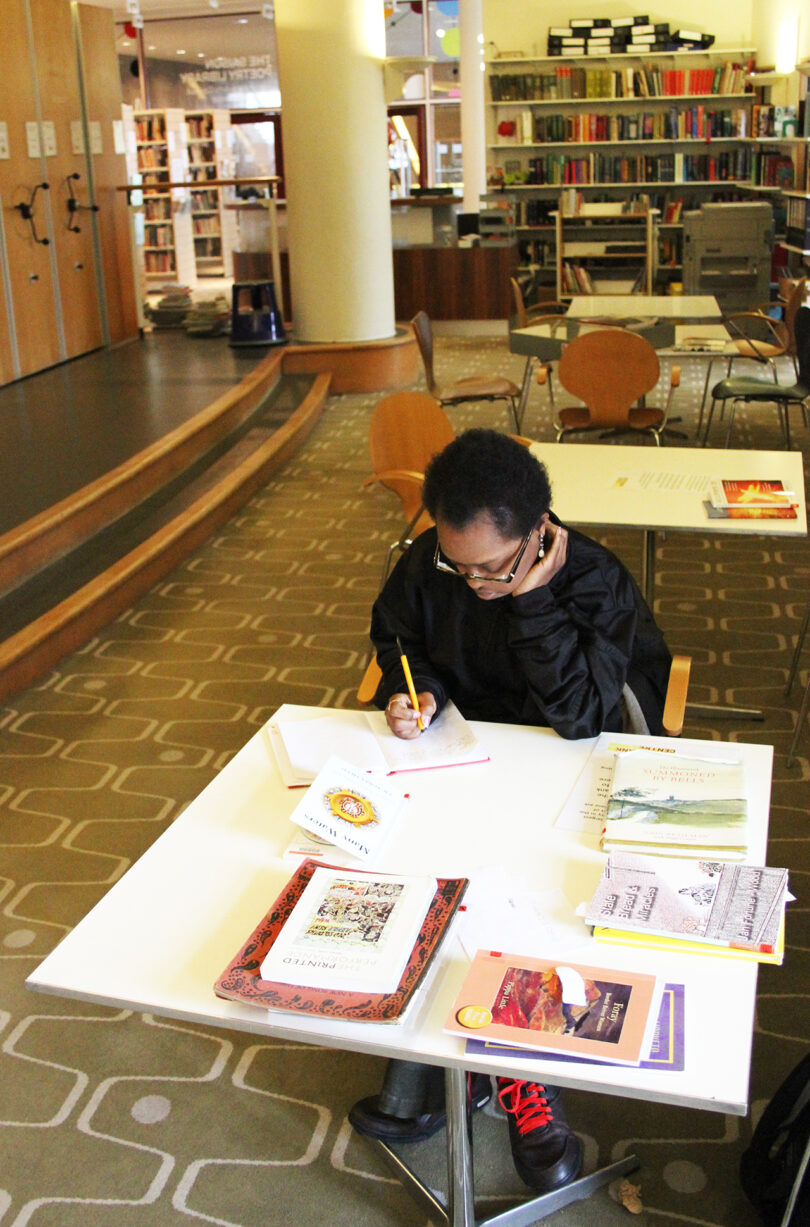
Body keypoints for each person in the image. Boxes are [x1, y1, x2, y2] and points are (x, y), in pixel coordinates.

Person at [348, 429, 672, 1193]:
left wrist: (529, 600)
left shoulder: (593, 579)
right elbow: (397, 635)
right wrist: (414, 689)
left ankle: (517, 1069)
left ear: (538, 533)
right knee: (420, 866)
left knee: (526, 894)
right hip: (465, 760)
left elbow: (580, 716)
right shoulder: (432, 562)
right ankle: (434, 1039)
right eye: (455, 564)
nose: (471, 581)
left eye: (492, 566)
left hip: (581, 773)